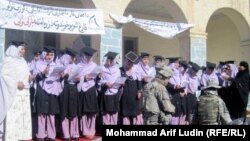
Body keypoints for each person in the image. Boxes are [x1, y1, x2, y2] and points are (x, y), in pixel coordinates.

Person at [0, 41, 32, 141]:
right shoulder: (8, 61)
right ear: (15, 49)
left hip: (24, 94)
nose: (23, 51)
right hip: (13, 94)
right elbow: (3, 77)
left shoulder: (23, 61)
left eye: (24, 49)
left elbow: (25, 75)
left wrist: (29, 78)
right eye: (21, 49)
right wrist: (16, 84)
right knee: (13, 117)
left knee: (22, 117)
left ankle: (21, 137)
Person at [34, 46, 63, 141]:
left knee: (51, 114)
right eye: (47, 54)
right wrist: (43, 73)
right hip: (41, 90)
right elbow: (34, 78)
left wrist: (62, 77)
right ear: (43, 55)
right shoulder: (38, 64)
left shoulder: (56, 66)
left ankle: (51, 135)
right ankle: (41, 135)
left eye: (51, 55)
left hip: (53, 91)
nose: (49, 57)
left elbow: (59, 81)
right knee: (42, 114)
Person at [77, 47, 99, 139]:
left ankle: (92, 130)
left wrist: (99, 75)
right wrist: (84, 77)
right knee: (84, 111)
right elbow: (77, 77)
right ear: (83, 56)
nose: (88, 58)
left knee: (92, 111)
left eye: (90, 56)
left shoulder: (94, 66)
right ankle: (85, 130)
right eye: (87, 56)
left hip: (91, 89)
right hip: (82, 89)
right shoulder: (78, 65)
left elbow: (97, 78)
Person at [59, 48, 79, 141]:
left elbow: (79, 78)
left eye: (73, 57)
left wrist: (79, 79)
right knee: (65, 111)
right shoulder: (60, 65)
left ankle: (74, 133)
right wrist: (65, 76)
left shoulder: (76, 66)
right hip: (64, 89)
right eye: (71, 57)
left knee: (73, 111)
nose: (73, 59)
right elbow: (59, 79)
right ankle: (66, 134)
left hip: (73, 89)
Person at [120, 51, 143, 125]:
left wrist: (139, 91)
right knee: (125, 111)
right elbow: (118, 81)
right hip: (125, 93)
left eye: (131, 63)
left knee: (135, 110)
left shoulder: (136, 69)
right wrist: (120, 84)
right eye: (128, 61)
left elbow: (139, 80)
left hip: (134, 93)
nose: (129, 64)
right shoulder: (121, 69)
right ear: (125, 60)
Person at [98, 51, 121, 125]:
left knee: (114, 113)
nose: (110, 61)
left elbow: (119, 80)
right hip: (106, 92)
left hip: (115, 93)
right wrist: (105, 83)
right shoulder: (102, 68)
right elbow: (99, 82)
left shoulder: (117, 70)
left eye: (112, 60)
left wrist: (121, 83)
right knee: (106, 112)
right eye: (109, 59)